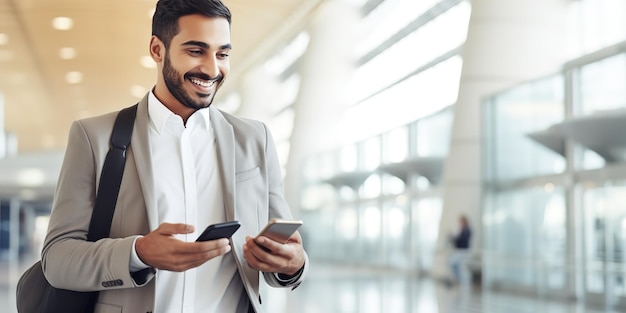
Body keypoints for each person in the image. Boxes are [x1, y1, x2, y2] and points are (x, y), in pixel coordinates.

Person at [40, 0, 308, 312]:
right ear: (157, 49)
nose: (212, 69)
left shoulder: (253, 139)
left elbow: (281, 255)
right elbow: (57, 259)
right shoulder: (94, 138)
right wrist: (139, 253)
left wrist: (292, 265)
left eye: (222, 54)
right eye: (196, 51)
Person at [447, 215, 471, 286]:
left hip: (463, 251)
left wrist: (456, 238)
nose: (460, 223)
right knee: (455, 265)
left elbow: (461, 240)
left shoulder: (467, 230)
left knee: (455, 264)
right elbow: (457, 240)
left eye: (461, 222)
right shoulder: (461, 231)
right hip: (458, 251)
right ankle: (459, 280)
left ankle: (463, 281)